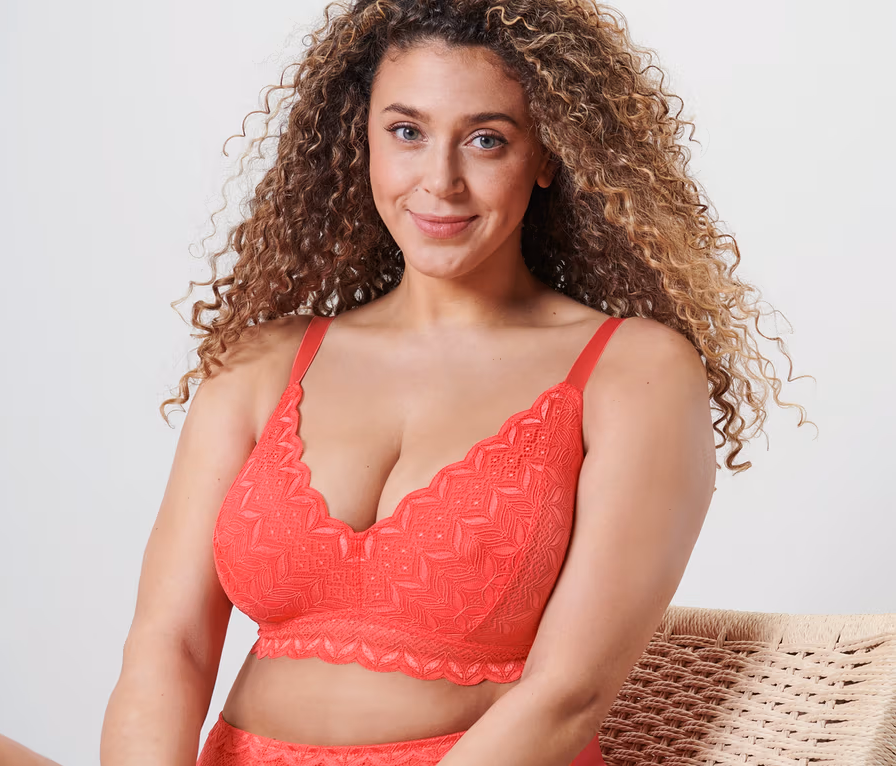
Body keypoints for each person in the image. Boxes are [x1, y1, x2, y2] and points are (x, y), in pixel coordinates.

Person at [101, 0, 814, 764]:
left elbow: (568, 695)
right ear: (362, 138)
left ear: (547, 155)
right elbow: (168, 646)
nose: (439, 181)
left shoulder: (632, 371)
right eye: (406, 132)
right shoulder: (260, 365)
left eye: (485, 140)